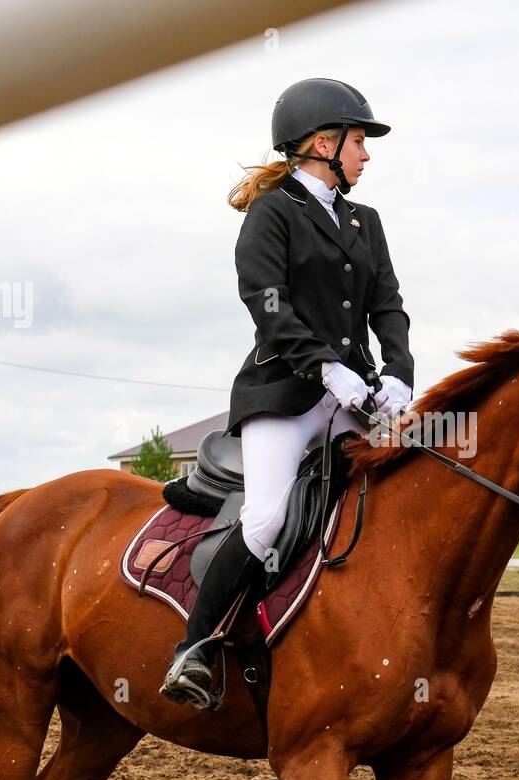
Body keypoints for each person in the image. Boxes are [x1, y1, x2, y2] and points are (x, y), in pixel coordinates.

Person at [161, 77, 416, 708]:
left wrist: (401, 372)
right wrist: (327, 368)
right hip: (285, 394)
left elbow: (387, 303)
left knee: (395, 501)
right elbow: (266, 303)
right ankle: (194, 647)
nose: (366, 154)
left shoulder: (365, 220)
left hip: (355, 399)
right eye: (359, 141)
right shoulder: (273, 212)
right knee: (268, 516)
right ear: (324, 144)